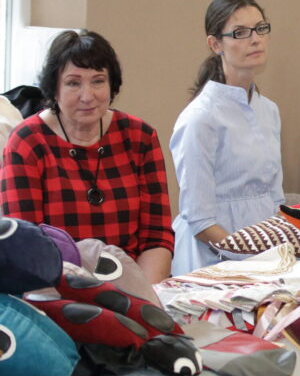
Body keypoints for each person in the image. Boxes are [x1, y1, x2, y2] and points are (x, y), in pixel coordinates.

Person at [0, 30, 173, 283]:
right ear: (54, 88)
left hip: (135, 283)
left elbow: (156, 238)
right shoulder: (27, 142)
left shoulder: (139, 137)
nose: (87, 95)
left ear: (112, 85)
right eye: (73, 83)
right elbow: (26, 247)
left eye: (98, 81)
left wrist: (143, 297)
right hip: (58, 287)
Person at [169, 0, 284, 275]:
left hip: (264, 253)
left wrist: (278, 251)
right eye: (240, 33)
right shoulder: (200, 118)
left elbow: (275, 199)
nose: (255, 39)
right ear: (215, 44)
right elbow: (200, 221)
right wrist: (249, 260)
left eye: (260, 29)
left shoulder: (268, 110)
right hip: (213, 260)